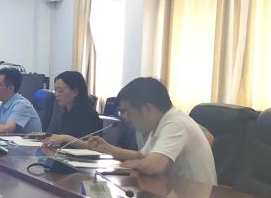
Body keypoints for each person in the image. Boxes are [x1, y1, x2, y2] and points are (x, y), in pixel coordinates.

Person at [77, 78, 216, 185]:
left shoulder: (175, 124)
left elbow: (153, 165)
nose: (125, 118)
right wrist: (108, 149)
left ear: (148, 109)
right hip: (174, 193)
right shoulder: (161, 123)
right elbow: (141, 155)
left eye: (126, 111)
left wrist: (132, 164)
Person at [41, 71, 102, 139]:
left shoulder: (88, 115)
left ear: (75, 92)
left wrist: (66, 139)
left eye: (60, 91)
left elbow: (90, 144)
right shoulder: (66, 112)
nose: (56, 95)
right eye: (55, 91)